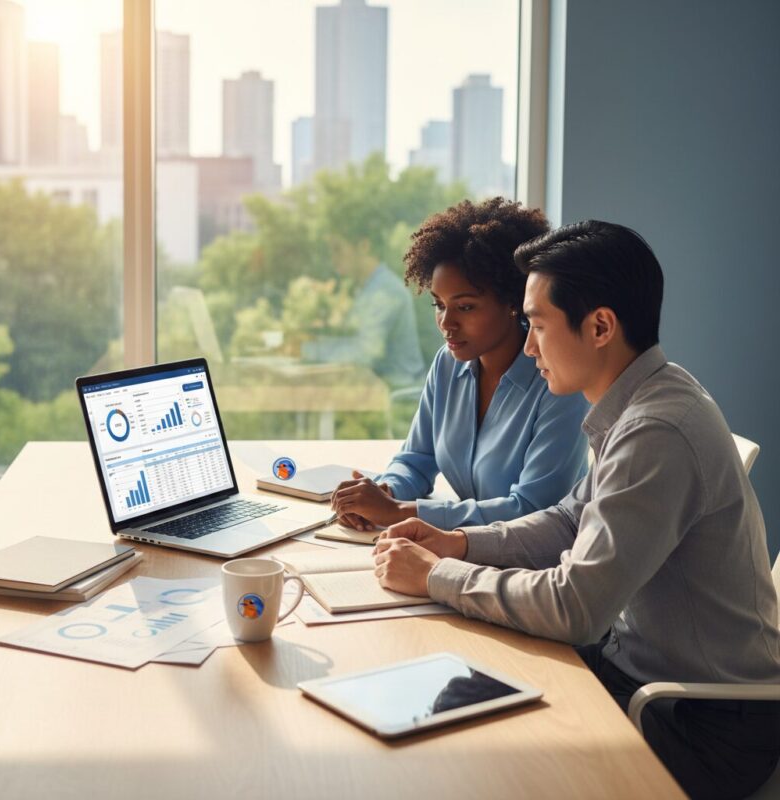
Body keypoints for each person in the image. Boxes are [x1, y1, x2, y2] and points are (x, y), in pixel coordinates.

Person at [372, 220, 780, 800]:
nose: (529, 344)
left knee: (468, 754)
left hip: (698, 722)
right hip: (640, 678)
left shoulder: (656, 430)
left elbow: (576, 608)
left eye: (536, 325)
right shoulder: (642, 399)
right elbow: (568, 520)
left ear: (600, 326)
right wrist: (457, 545)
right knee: (454, 706)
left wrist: (435, 575)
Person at [331, 198, 589, 532]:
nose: (446, 323)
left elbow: (532, 509)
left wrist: (399, 511)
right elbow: (417, 460)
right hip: (470, 550)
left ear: (513, 301)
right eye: (439, 305)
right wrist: (384, 492)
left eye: (465, 307)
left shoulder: (558, 381)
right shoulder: (448, 365)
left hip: (544, 563)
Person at [301, 233, 425, 390]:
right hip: (378, 391)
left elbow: (365, 353)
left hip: (400, 398)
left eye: (338, 249)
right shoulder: (366, 288)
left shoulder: (386, 292)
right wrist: (314, 342)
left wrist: (305, 350)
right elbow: (353, 342)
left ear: (364, 246)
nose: (333, 258)